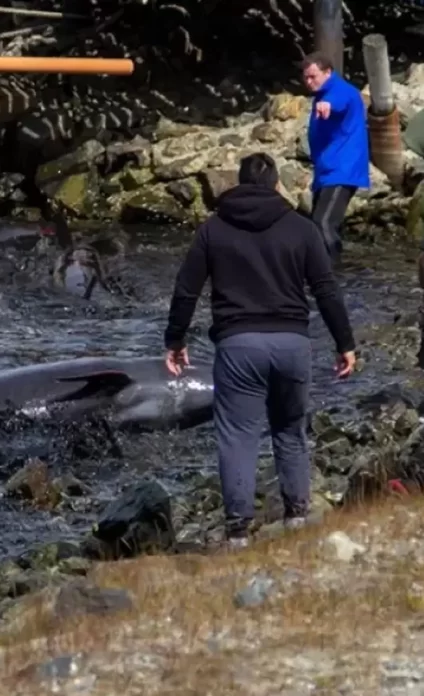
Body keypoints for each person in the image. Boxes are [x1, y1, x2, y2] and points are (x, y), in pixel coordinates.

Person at [164, 152, 357, 549]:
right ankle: (298, 519)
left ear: (238, 182)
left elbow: (186, 289)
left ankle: (237, 534)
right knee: (291, 430)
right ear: (275, 185)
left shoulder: (213, 230)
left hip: (239, 346)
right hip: (292, 344)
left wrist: (175, 340)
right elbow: (326, 290)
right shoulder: (302, 229)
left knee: (238, 436)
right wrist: (345, 343)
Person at [302, 51, 370, 261]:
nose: (308, 82)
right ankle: (322, 273)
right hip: (326, 171)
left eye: (313, 76)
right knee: (315, 229)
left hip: (342, 170)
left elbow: (338, 101)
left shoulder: (340, 91)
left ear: (328, 72)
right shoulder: (322, 94)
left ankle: (334, 274)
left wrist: (328, 105)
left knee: (322, 224)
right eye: (305, 78)